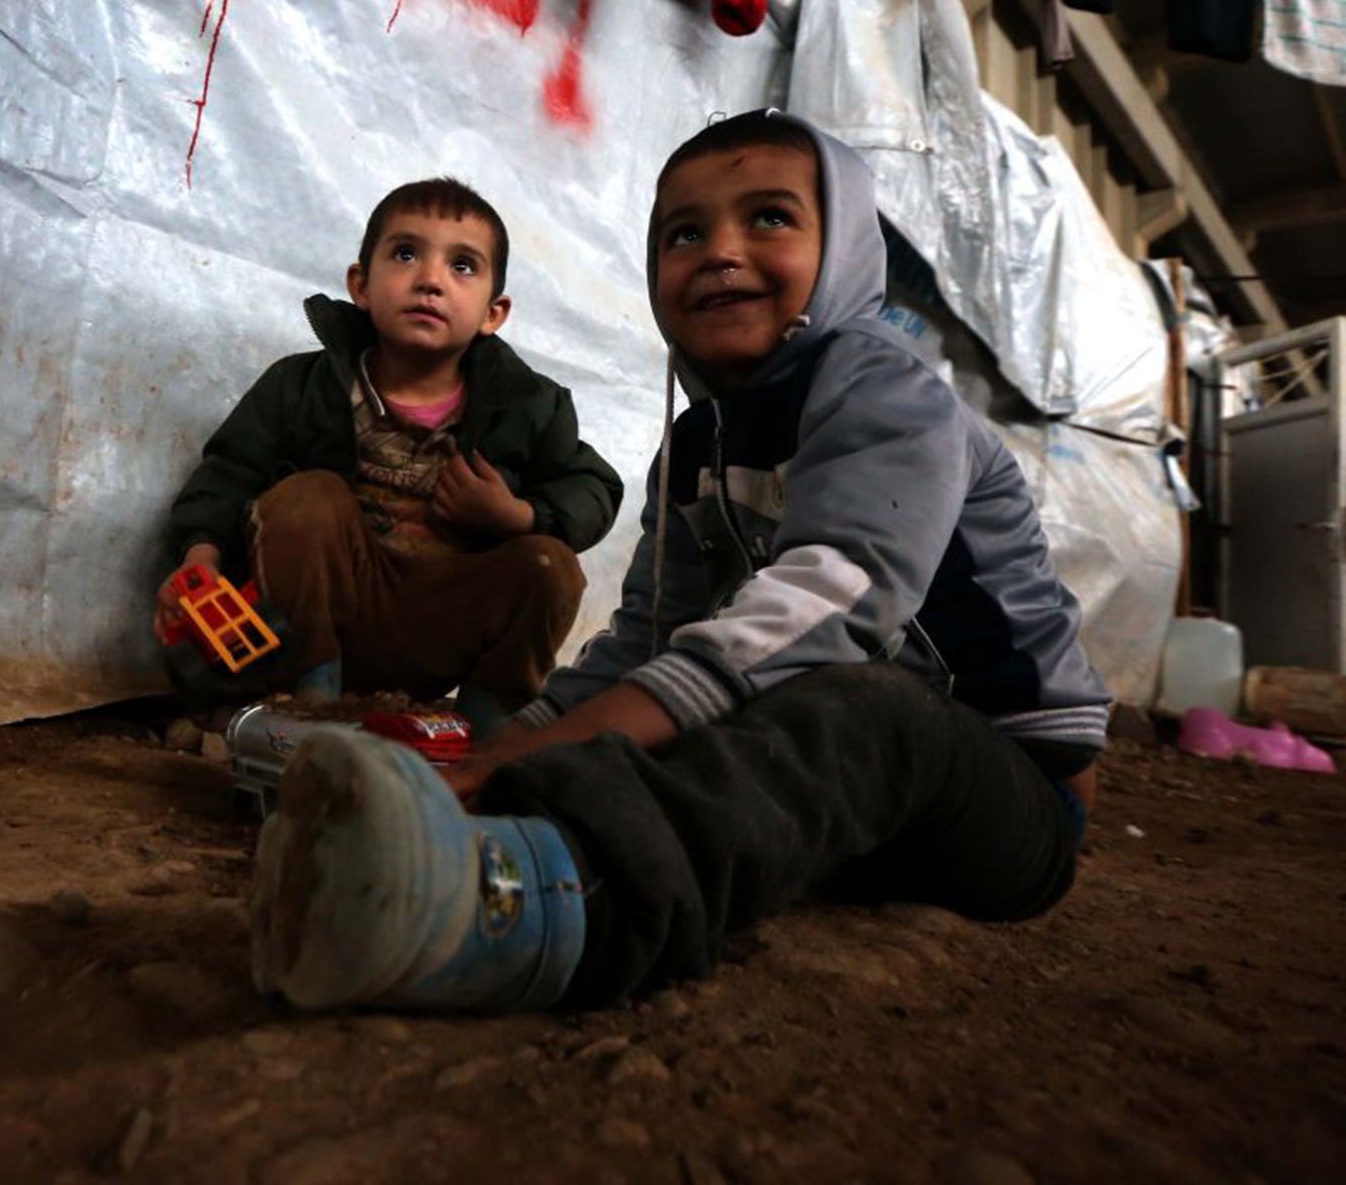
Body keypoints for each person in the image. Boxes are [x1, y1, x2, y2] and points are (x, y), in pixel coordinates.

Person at [250, 112, 1110, 1013]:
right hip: (826, 792)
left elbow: (829, 609)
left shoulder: (892, 396)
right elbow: (647, 641)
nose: (720, 252)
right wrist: (504, 751)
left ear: (847, 248)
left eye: (770, 218)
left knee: (871, 705)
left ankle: (524, 908)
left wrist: (521, 755)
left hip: (1002, 798)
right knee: (672, 716)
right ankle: (435, 843)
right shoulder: (696, 448)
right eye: (684, 233)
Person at [159, 178, 623, 720]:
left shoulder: (527, 405)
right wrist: (201, 559)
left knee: (548, 564)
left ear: (492, 314)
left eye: (463, 266)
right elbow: (230, 472)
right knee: (309, 498)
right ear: (360, 284)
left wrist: (517, 515)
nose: (430, 280)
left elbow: (594, 487)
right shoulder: (301, 385)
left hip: (446, 618)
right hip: (319, 623)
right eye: (406, 254)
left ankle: (490, 722)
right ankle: (306, 707)